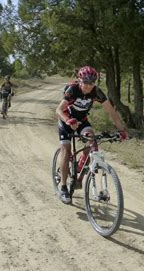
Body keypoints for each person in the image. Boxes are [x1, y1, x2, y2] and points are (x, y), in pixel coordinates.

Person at [55, 65, 128, 204]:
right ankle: (63, 187)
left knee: (91, 142)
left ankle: (79, 177)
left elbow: (111, 112)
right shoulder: (73, 90)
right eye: (86, 82)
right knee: (66, 150)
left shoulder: (96, 92)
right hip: (66, 120)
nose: (88, 86)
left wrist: (121, 130)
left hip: (82, 121)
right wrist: (67, 120)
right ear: (79, 80)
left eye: (92, 82)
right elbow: (58, 110)